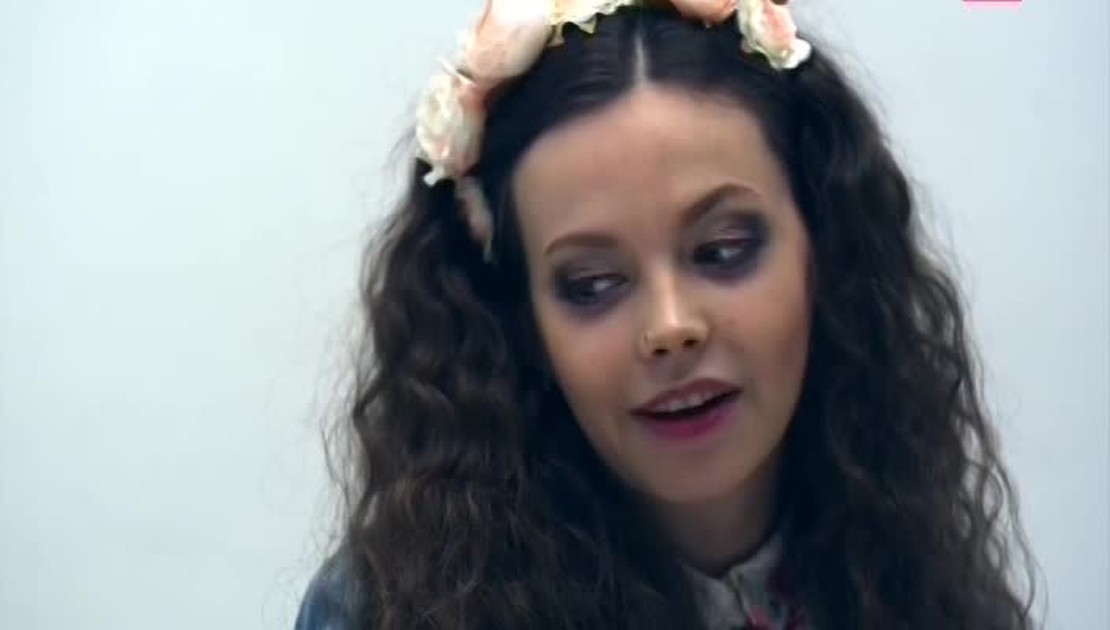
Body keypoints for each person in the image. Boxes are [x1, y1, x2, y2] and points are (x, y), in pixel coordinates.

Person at [295, 1, 1036, 628]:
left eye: (723, 251)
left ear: (824, 253)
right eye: (591, 285)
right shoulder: (388, 608)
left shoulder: (920, 576)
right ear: (520, 323)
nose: (671, 327)